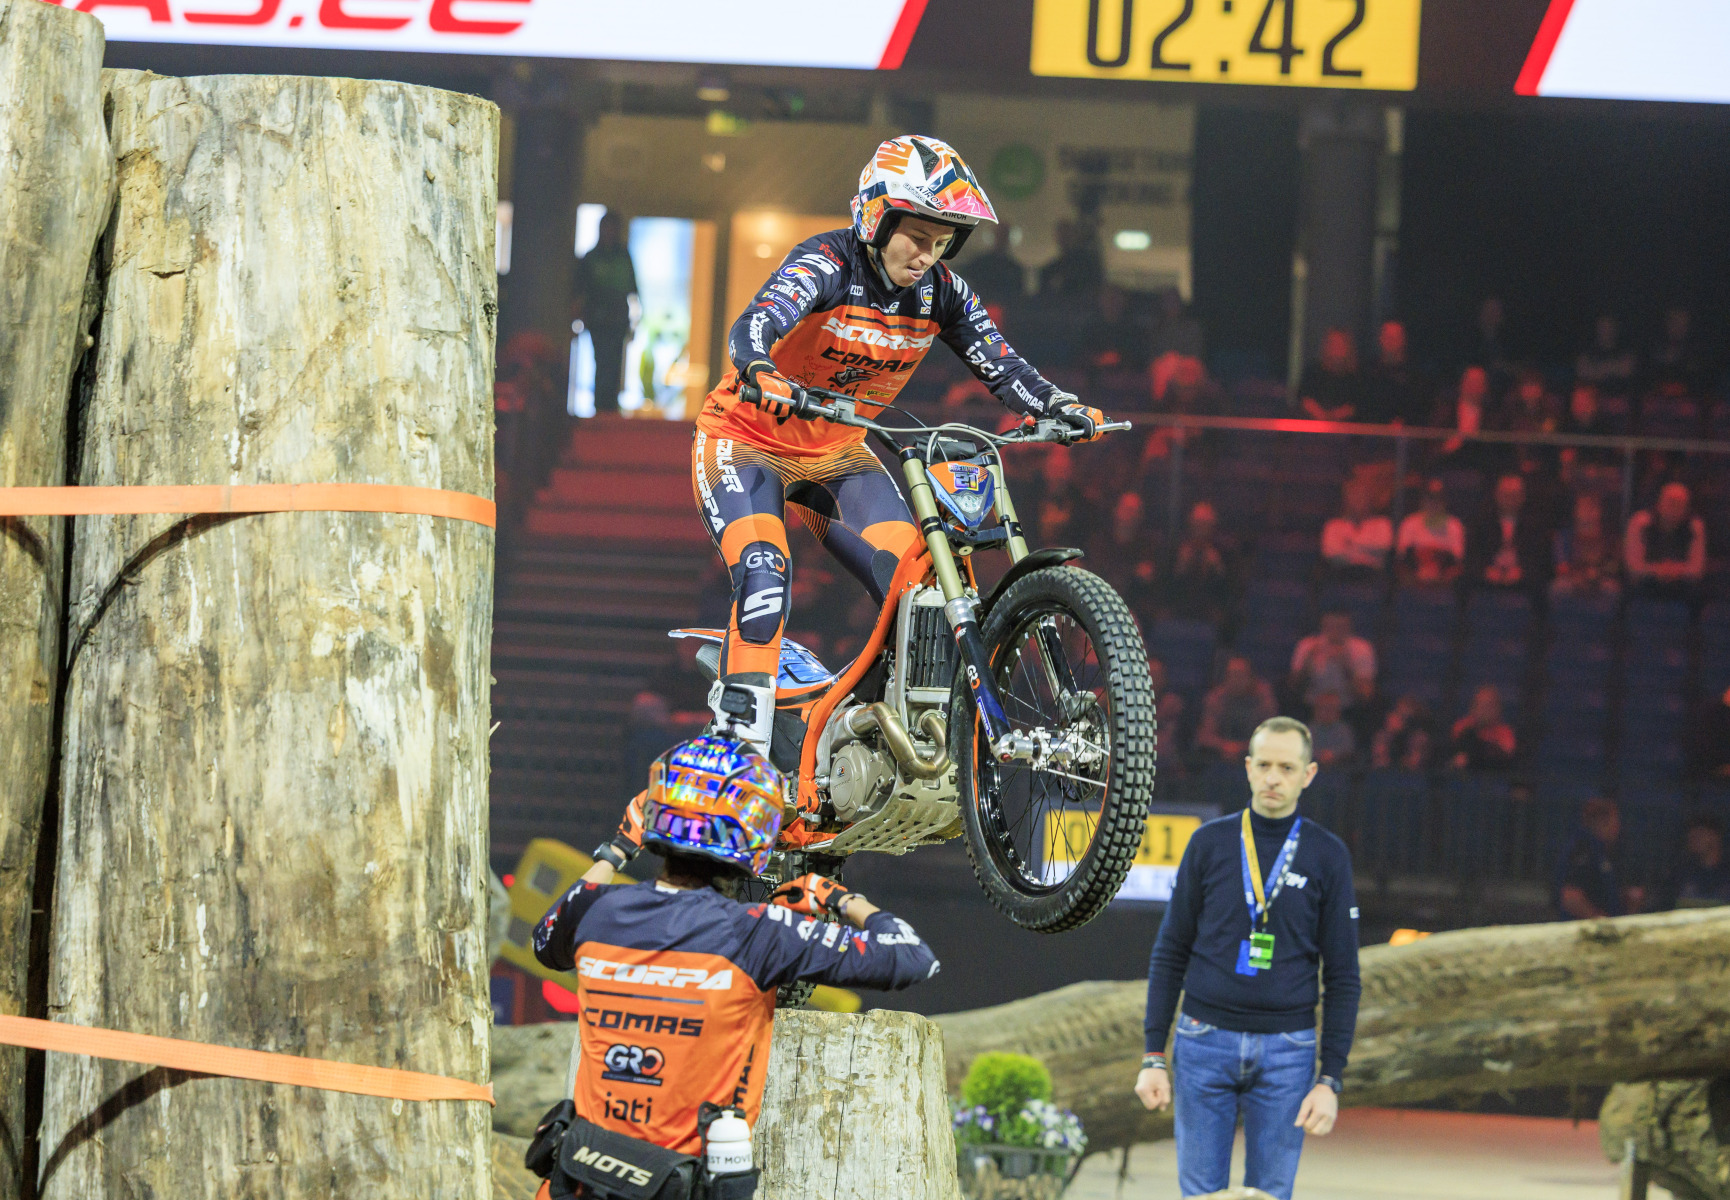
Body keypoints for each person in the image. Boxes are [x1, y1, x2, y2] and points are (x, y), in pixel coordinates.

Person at [692, 135, 1110, 755]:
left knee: (920, 588)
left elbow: (1002, 364)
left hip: (838, 455)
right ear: (876, 218)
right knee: (763, 575)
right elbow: (756, 322)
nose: (926, 255)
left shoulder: (944, 292)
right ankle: (739, 746)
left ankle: (866, 731)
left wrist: (1058, 405)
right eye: (916, 236)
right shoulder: (827, 263)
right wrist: (760, 368)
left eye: (941, 242)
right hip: (745, 440)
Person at [528, 736, 938, 1195]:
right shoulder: (758, 932)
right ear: (754, 828)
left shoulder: (598, 912)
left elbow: (545, 940)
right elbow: (913, 958)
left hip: (573, 1183)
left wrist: (618, 849)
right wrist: (835, 896)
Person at [1137, 717, 1361, 1200]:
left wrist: (1330, 1079)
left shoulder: (1327, 855)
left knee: (1271, 1196)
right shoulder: (1209, 843)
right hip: (1203, 1039)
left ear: (1309, 774)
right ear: (1247, 767)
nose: (1273, 777)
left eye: (1287, 767)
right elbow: (1170, 951)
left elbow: (1344, 977)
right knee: (1200, 1196)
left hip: (1288, 1051)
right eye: (1263, 765)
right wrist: (1153, 1055)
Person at [572, 211, 639, 416]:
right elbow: (580, 290)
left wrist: (634, 321)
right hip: (598, 320)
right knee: (601, 362)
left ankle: (611, 407)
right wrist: (579, 317)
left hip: (618, 320)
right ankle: (600, 406)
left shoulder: (623, 257)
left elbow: (633, 290)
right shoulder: (592, 258)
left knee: (615, 364)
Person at [1555, 797, 1645, 919]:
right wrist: (1599, 920)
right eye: (1613, 822)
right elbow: (1570, 898)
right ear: (1600, 822)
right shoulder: (1582, 849)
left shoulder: (1611, 850)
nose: (1617, 827)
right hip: (1582, 926)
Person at [1467, 473, 1551, 594]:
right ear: (1496, 495)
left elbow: (1542, 559)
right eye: (1506, 495)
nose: (1510, 499)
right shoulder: (1481, 522)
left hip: (1525, 580)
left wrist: (1523, 571)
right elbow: (1471, 556)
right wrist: (1485, 571)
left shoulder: (1536, 524)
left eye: (1515, 495)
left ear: (1523, 496)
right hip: (1488, 576)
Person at [1624, 481, 1706, 602]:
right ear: (1658, 503)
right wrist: (1658, 570)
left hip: (1682, 586)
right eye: (1671, 503)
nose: (1675, 509)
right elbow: (1634, 567)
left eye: (1680, 504)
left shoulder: (1694, 527)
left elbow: (1696, 569)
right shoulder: (1640, 523)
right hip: (1645, 584)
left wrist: (1674, 571)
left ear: (1687, 508)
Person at [1289, 612, 1376, 713]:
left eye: (1340, 627)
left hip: (1347, 707)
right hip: (1313, 705)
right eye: (1330, 627)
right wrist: (1307, 664)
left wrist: (1346, 666)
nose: (1335, 632)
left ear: (1349, 627)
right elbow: (1293, 686)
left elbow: (1366, 694)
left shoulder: (1362, 648)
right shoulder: (1307, 645)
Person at [1196, 657, 1278, 763]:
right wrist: (1226, 746)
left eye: (1241, 675)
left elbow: (1270, 736)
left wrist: (1240, 748)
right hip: (1221, 756)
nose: (1236, 680)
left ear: (1251, 677)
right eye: (1232, 675)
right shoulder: (1216, 698)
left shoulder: (1264, 697)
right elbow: (1204, 736)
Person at [1170, 500, 1236, 623]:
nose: (1200, 528)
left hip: (1211, 613)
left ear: (1213, 525)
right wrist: (1180, 567)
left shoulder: (1224, 552)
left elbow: (1231, 590)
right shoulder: (1175, 549)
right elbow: (1166, 588)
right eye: (1197, 523)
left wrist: (1218, 568)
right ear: (1190, 523)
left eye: (1205, 524)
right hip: (1179, 610)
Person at [1395, 479, 1466, 587]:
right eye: (1429, 499)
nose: (1433, 503)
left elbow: (1457, 564)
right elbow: (1401, 560)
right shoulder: (1409, 523)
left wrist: (1441, 580)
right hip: (1413, 584)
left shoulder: (1455, 526)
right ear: (1422, 501)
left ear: (1444, 502)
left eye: (1438, 499)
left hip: (1443, 585)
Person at [1551, 491, 1621, 598]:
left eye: (1592, 507)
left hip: (1600, 580)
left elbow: (1613, 566)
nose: (1588, 512)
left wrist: (1597, 574)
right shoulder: (1565, 537)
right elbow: (1561, 567)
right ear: (1575, 511)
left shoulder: (1609, 538)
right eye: (1584, 507)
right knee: (1559, 587)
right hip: (1572, 579)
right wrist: (1580, 576)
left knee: (1611, 588)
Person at [1320, 480, 1393, 580]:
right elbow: (1331, 553)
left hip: (1374, 576)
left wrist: (1350, 543)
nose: (1358, 501)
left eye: (1362, 497)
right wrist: (1367, 551)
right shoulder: (1333, 525)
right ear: (1346, 500)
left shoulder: (1383, 523)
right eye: (1353, 496)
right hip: (1341, 575)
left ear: (1370, 499)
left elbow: (1383, 547)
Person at [1360, 320, 1424, 425]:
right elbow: (1363, 404)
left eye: (1395, 337)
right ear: (1380, 339)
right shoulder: (1368, 371)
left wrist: (1405, 422)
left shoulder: (1415, 374)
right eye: (1387, 337)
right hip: (1372, 429)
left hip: (1407, 430)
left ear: (1403, 340)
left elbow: (1419, 407)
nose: (1391, 341)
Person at [1662, 815, 1730, 909]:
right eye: (1691, 836)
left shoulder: (1726, 873)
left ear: (1715, 836)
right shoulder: (1681, 874)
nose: (1693, 839)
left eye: (1700, 834)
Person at [1296, 329, 1362, 422]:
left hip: (1347, 428)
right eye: (1332, 343)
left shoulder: (1356, 376)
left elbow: (1357, 405)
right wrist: (1321, 415)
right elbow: (1303, 398)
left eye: (1340, 344)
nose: (1335, 348)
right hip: (1312, 426)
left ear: (1348, 348)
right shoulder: (1312, 373)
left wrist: (1337, 415)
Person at [1449, 685, 1516, 770]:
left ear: (1498, 709)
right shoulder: (1463, 727)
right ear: (1472, 707)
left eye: (1489, 706)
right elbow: (1456, 752)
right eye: (1480, 705)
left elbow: (1506, 755)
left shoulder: (1505, 732)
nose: (1484, 710)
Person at [1370, 695, 1434, 770]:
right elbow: (1379, 764)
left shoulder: (1419, 739)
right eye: (1396, 712)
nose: (1395, 718)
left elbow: (1414, 765)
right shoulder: (1383, 736)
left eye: (1404, 717)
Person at [1307, 691, 1356, 767]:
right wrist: (1320, 755)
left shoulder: (1343, 730)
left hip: (1339, 768)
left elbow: (1349, 749)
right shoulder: (1309, 729)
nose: (1327, 712)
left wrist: (1334, 754)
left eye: (1331, 708)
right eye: (1323, 708)